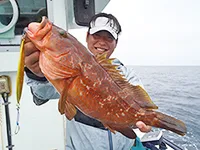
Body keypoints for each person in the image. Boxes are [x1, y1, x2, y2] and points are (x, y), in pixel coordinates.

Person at [24, 13, 151, 150]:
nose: (102, 42)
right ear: (87, 36)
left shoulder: (126, 74)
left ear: (115, 43)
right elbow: (42, 94)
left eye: (109, 38)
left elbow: (142, 105)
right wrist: (38, 75)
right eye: (97, 35)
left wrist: (145, 118)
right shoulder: (70, 65)